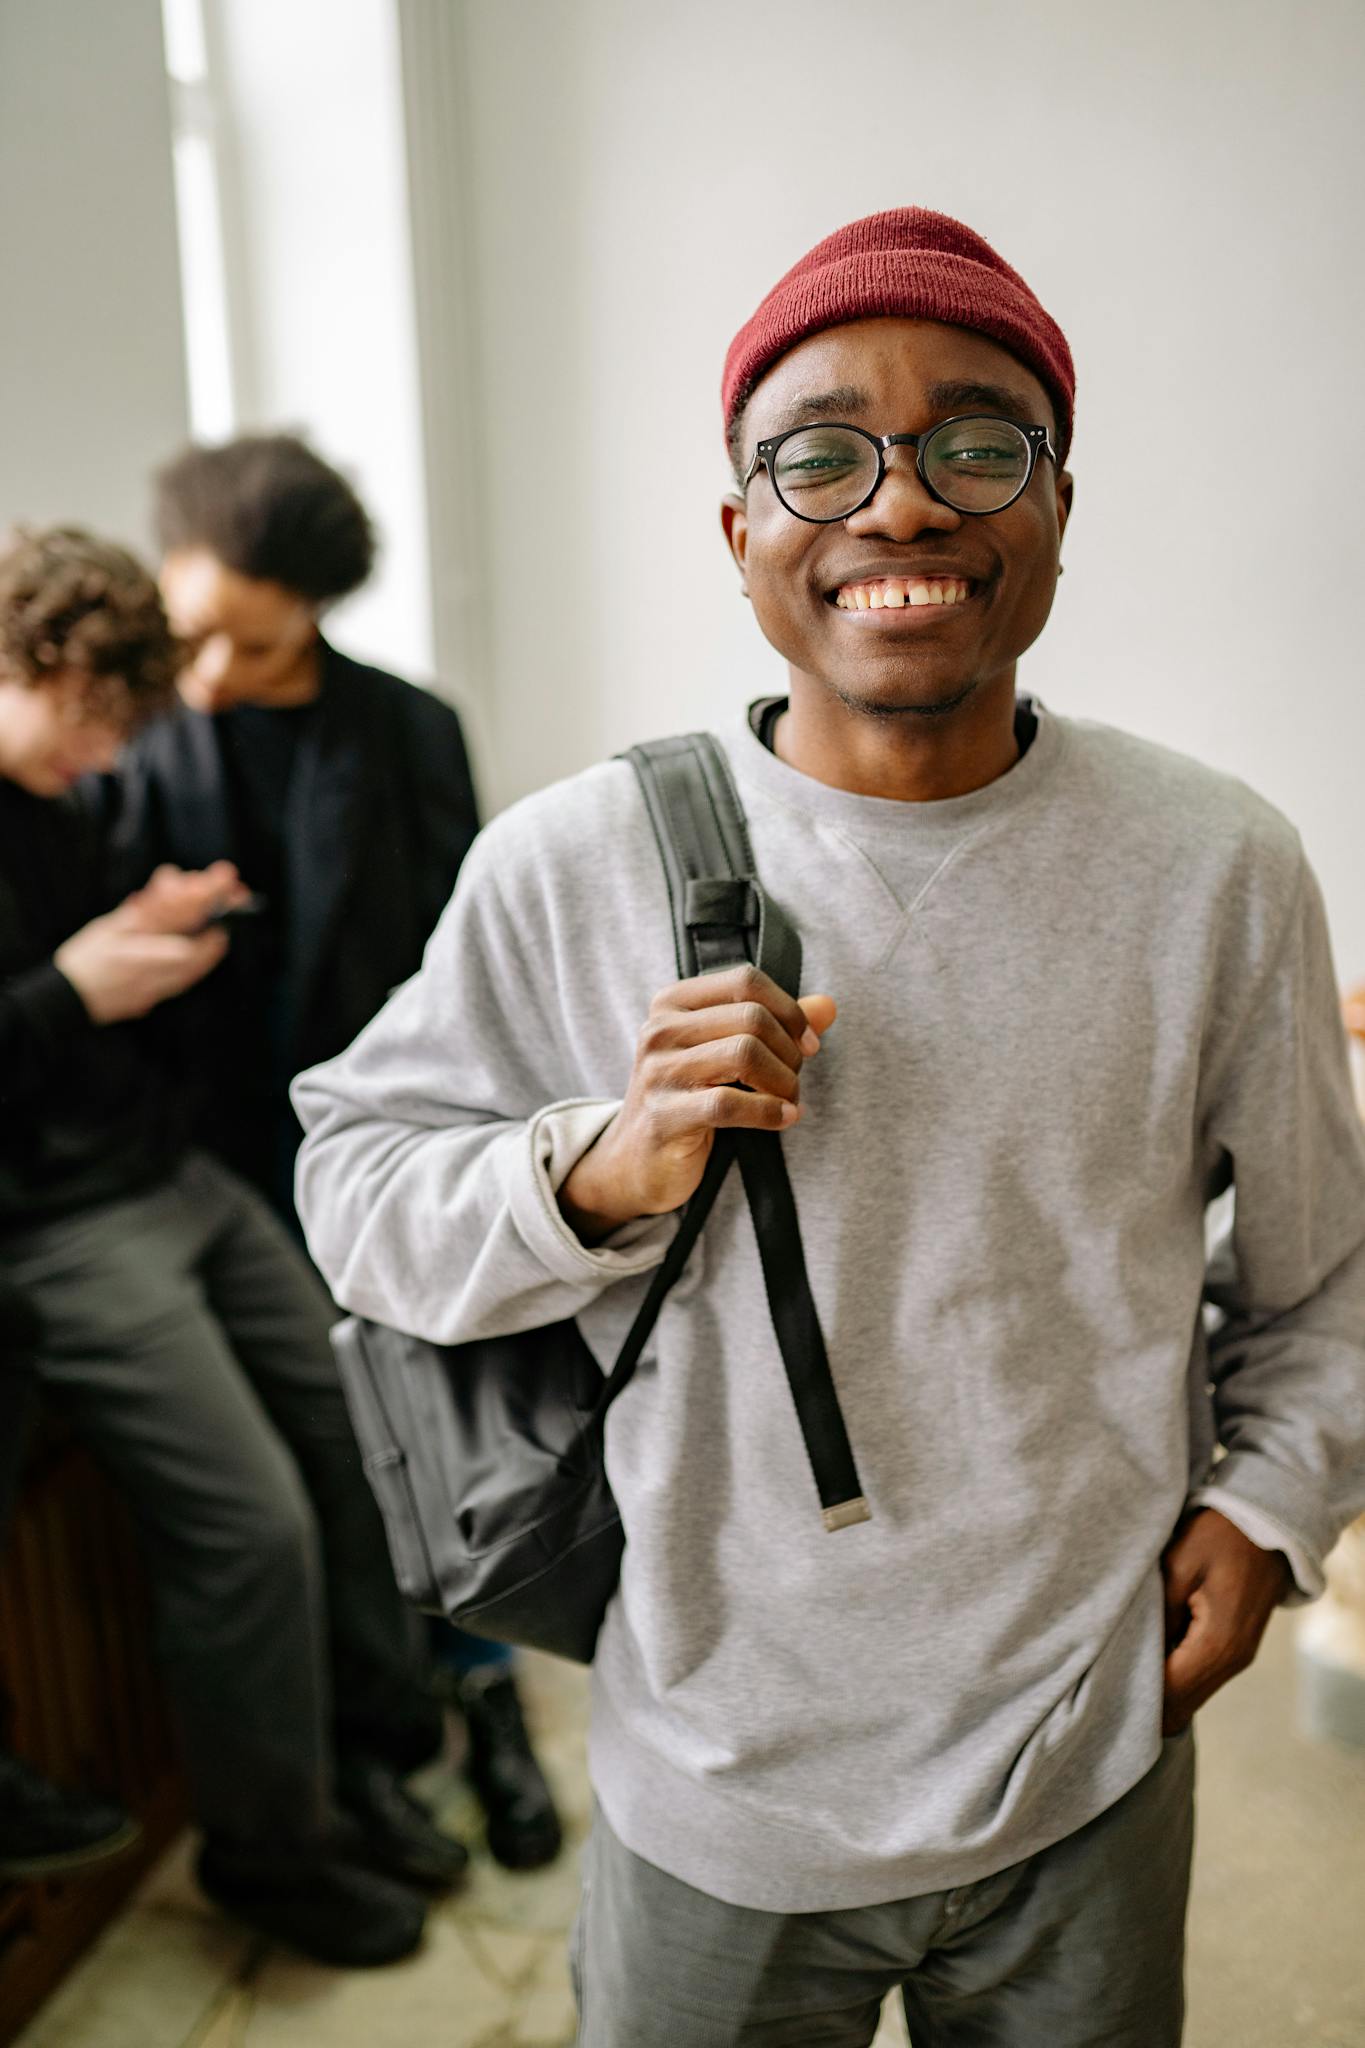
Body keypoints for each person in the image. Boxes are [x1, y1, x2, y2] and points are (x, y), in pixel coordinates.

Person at [289, 209, 1365, 2045]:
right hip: (716, 1776)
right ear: (739, 532)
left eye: (974, 441)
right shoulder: (571, 862)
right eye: (819, 454)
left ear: (1050, 509)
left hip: (1081, 1748)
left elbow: (1327, 1276)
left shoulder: (1216, 867)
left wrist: (1267, 1511)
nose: (900, 505)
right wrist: (591, 1168)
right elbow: (353, 1186)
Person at [0, 526, 466, 1968]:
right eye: (87, 722)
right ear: (27, 662)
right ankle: (270, 1853)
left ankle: (362, 1762)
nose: (103, 756)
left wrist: (133, 933)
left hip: (170, 1176)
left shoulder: (62, 803)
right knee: (249, 1527)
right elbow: (41, 1013)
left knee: (353, 1427)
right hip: (56, 1232)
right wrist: (76, 988)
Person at [102, 433, 561, 1870]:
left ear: (313, 603)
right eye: (193, 638)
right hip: (211, 1158)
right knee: (320, 1473)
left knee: (454, 1440)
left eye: (246, 639)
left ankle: (487, 1704)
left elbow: (473, 965)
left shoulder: (410, 731)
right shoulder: (137, 732)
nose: (213, 674)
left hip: (397, 1152)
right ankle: (372, 1744)